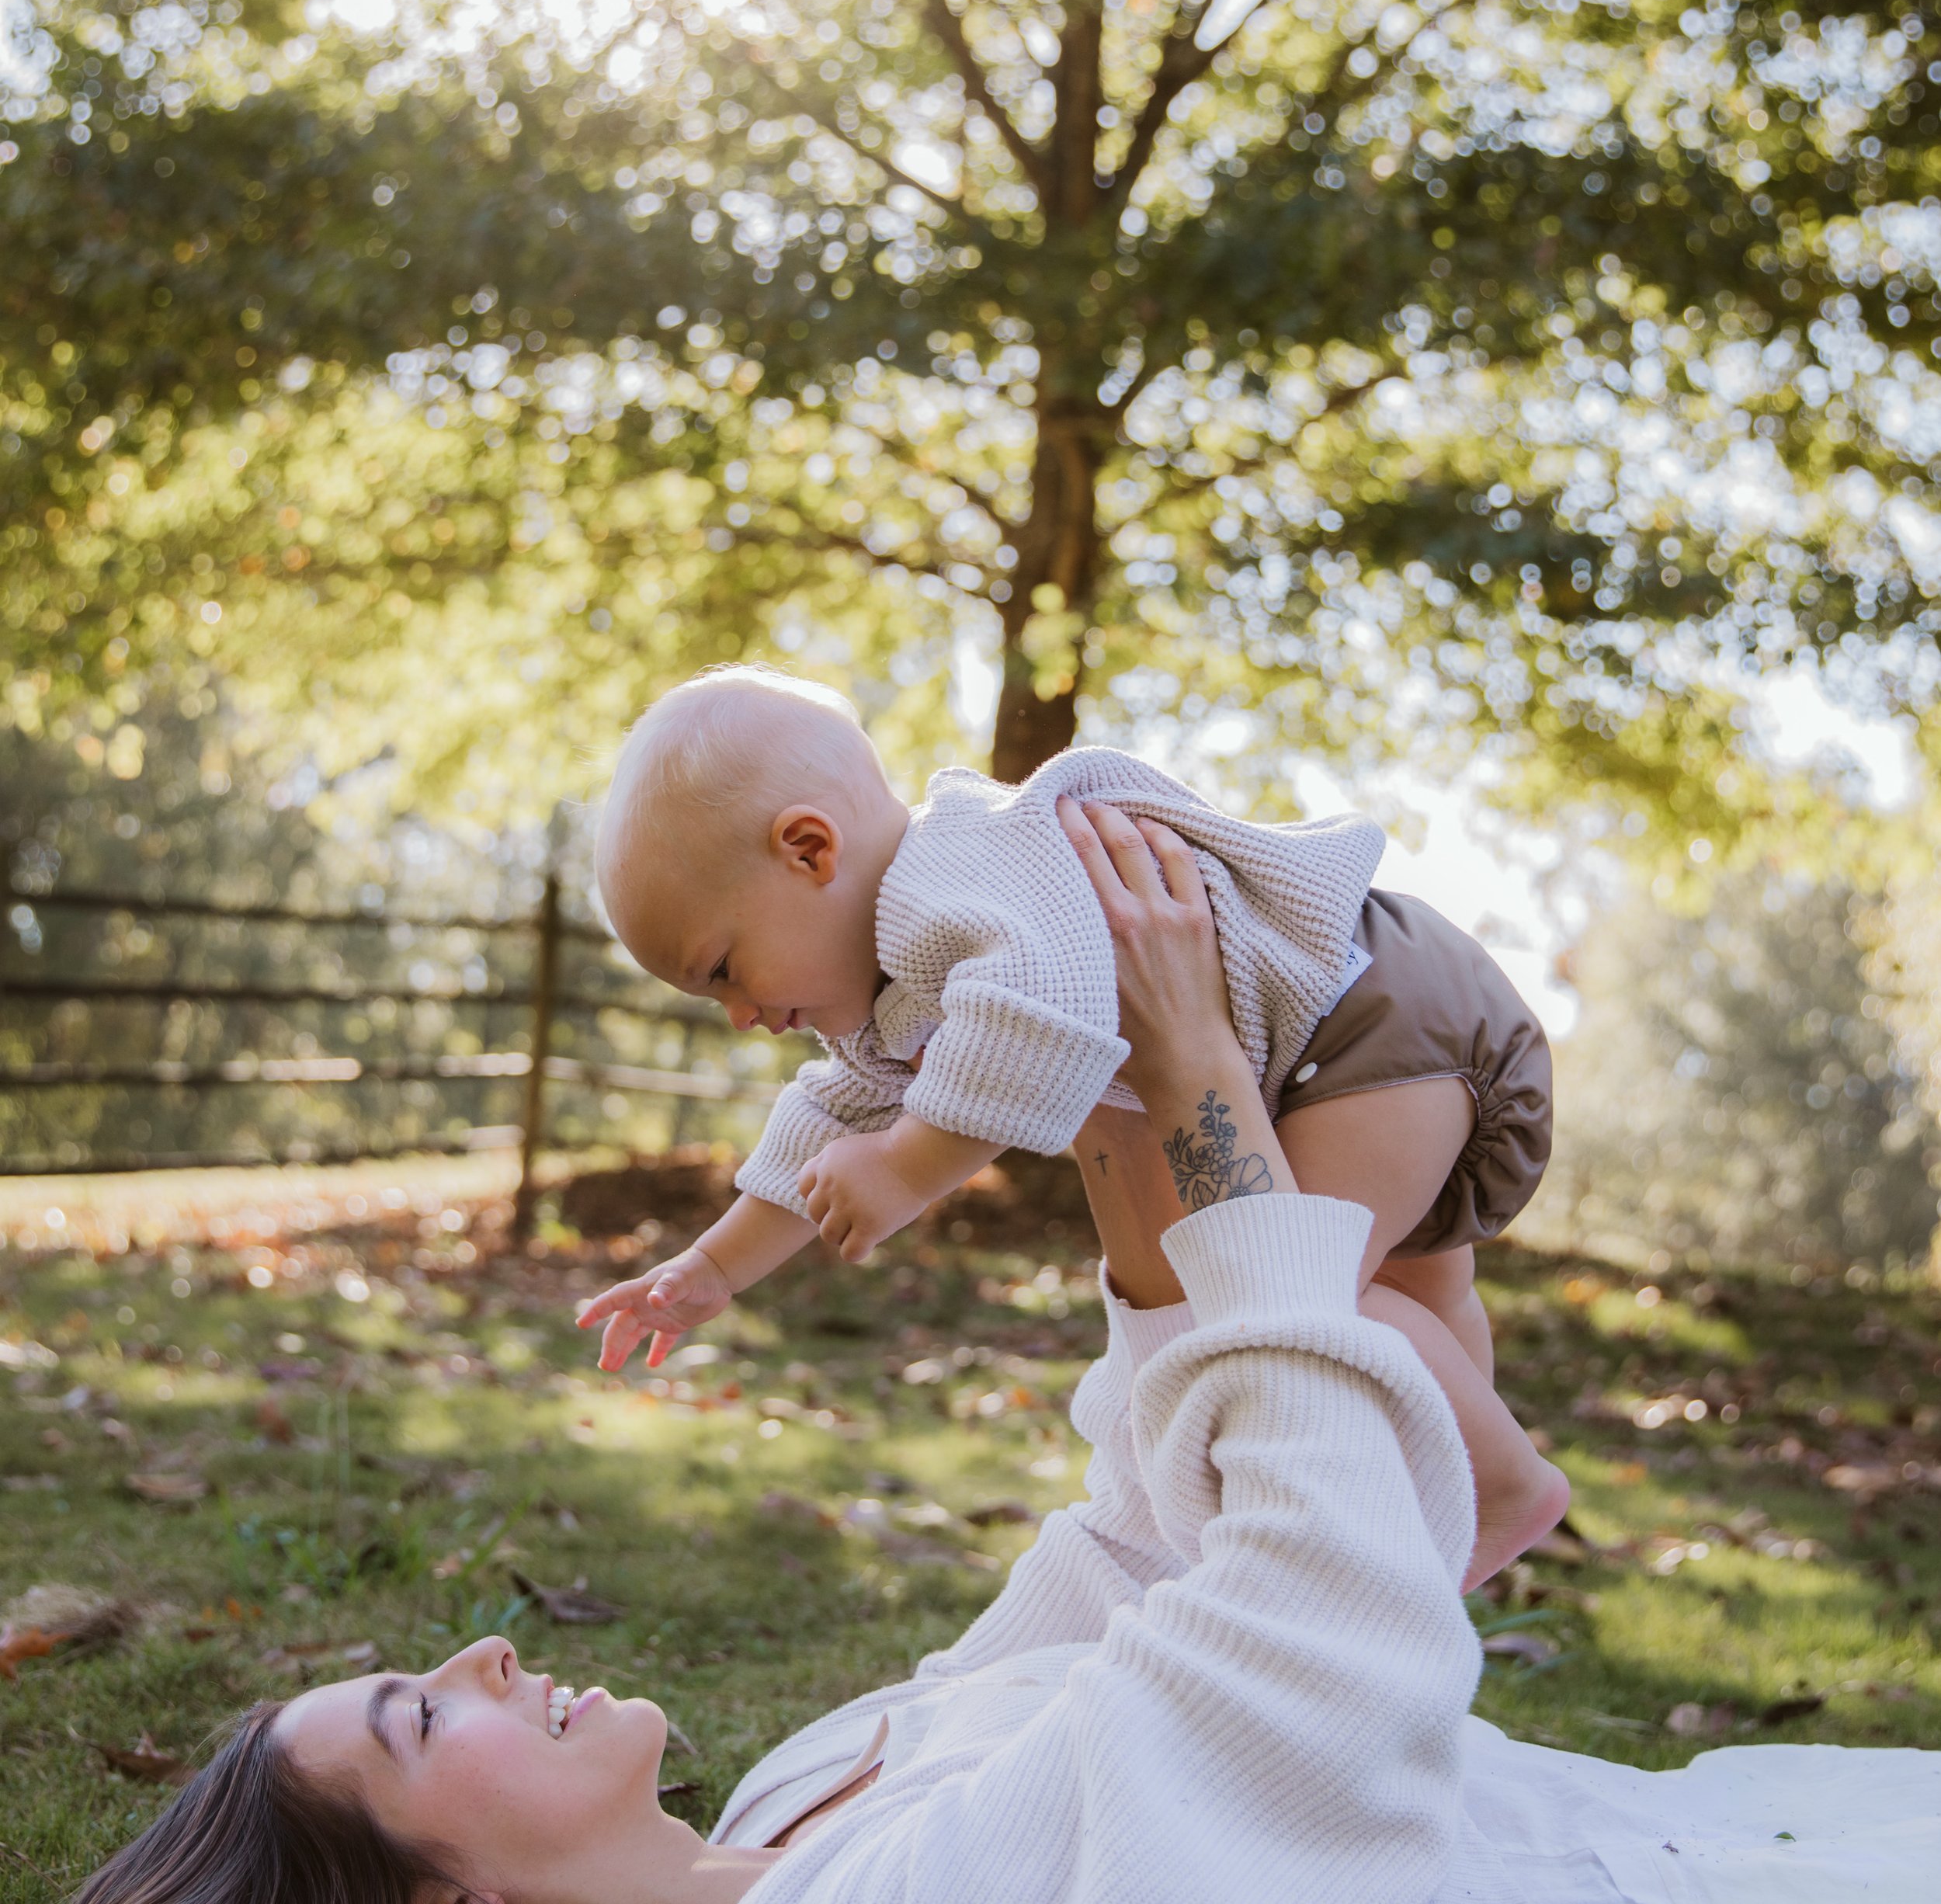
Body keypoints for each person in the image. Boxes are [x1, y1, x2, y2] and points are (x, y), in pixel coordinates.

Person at [46, 801, 1941, 1904]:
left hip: (1707, 1832)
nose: (474, 1646)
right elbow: (1317, 1636)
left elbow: (1138, 1556)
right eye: (415, 1709)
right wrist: (1209, 1108)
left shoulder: (803, 1795)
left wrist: (1142, 1208)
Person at [584, 665, 1564, 1586]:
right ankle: (1439, 1491)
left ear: (809, 850)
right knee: (1416, 1288)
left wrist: (903, 1168)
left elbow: (1036, 1027)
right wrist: (712, 1270)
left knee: (1306, 1302)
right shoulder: (896, 983)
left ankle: (1496, 1491)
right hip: (1381, 1025)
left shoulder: (956, 884)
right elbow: (824, 1115)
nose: (740, 1016)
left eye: (722, 970)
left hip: (1361, 1020)